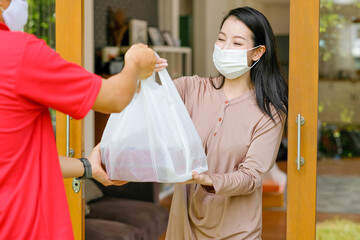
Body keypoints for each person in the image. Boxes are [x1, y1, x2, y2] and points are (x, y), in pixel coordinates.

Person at [0, 0, 168, 239]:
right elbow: (116, 96)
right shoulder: (18, 53)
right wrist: (134, 62)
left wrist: (88, 167)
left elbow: (20, 160)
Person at [162, 6, 288, 239]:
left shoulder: (269, 113)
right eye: (221, 39)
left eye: (237, 43)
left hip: (237, 232)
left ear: (257, 52)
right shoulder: (190, 89)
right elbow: (146, 103)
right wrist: (142, 73)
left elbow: (251, 177)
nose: (225, 48)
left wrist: (210, 180)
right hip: (184, 228)